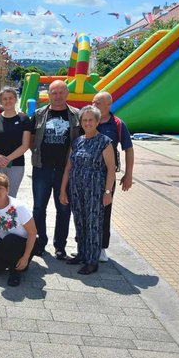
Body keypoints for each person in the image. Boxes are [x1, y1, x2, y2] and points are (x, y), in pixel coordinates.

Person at [60, 105, 116, 275]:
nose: (87, 123)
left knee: (93, 224)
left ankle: (92, 260)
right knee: (80, 221)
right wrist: (63, 190)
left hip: (95, 190)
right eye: (84, 120)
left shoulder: (105, 142)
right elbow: (68, 167)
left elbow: (111, 169)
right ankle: (82, 254)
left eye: (91, 119)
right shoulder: (77, 141)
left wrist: (108, 193)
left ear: (97, 121)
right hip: (76, 188)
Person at [30, 79, 81, 260]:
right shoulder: (38, 114)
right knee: (38, 208)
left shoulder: (76, 115)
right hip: (42, 169)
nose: (58, 96)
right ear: (49, 94)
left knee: (64, 208)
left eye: (61, 92)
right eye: (54, 92)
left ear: (67, 94)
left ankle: (60, 246)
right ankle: (40, 242)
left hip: (65, 171)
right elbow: (32, 139)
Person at [92, 91, 134, 263]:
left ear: (109, 105)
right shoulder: (87, 120)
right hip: (85, 174)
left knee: (104, 209)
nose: (94, 106)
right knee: (84, 209)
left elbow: (128, 149)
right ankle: (82, 243)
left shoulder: (117, 124)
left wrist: (128, 174)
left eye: (98, 104)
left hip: (106, 175)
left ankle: (101, 247)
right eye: (93, 102)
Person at [0, 172, 37, 287]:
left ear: (7, 190)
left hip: (23, 242)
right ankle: (12, 261)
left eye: (1, 188)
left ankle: (16, 271)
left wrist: (25, 257)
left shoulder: (19, 207)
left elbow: (33, 233)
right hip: (5, 242)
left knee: (10, 239)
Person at [0, 87, 33, 197]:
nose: (8, 101)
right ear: (1, 101)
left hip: (15, 165)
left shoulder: (24, 118)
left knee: (11, 198)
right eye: (5, 99)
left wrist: (7, 159)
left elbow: (25, 145)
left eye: (10, 98)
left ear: (16, 99)